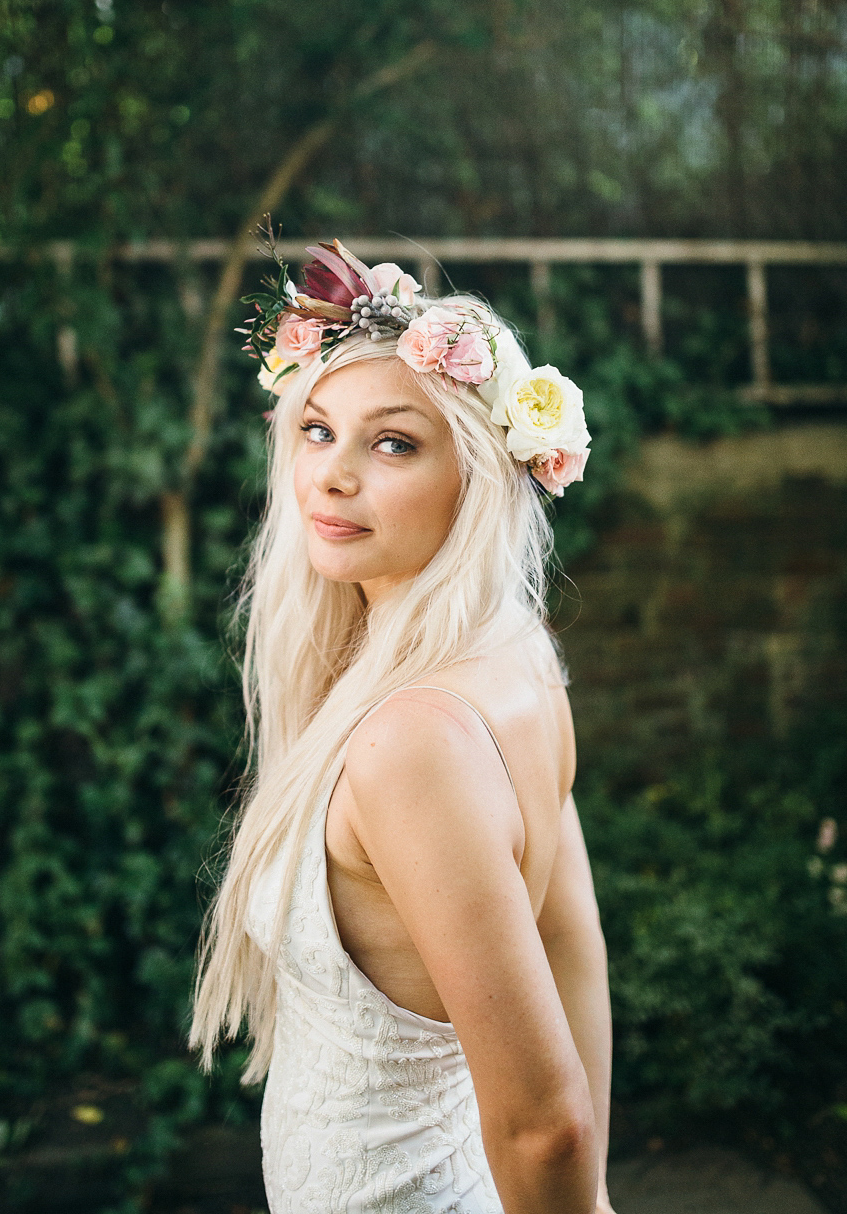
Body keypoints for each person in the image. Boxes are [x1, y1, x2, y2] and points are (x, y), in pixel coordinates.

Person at [190, 236, 614, 1214]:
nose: (332, 476)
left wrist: (577, 1194)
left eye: (392, 443)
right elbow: (571, 942)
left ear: (477, 476)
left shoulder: (413, 745)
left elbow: (547, 1122)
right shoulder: (513, 655)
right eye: (317, 430)